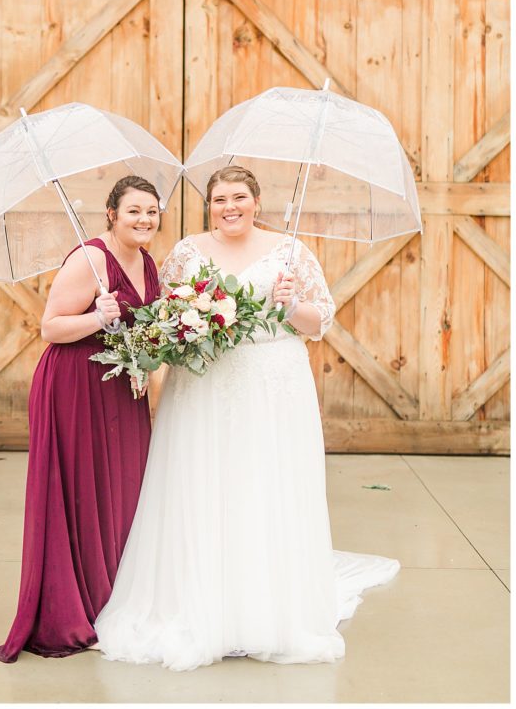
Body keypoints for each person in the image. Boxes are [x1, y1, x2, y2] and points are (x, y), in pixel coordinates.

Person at [95, 165, 399, 670]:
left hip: (273, 384)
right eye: (219, 199)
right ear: (208, 205)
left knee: (265, 484)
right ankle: (201, 602)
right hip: (203, 385)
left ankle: (265, 608)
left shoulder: (290, 252)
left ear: (256, 202)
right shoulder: (188, 252)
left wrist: (292, 303)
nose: (229, 207)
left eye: (239, 197)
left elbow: (319, 322)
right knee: (204, 484)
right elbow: (162, 317)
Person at [0, 175, 161, 662]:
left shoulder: (146, 260)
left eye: (151, 211)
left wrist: (145, 358)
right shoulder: (88, 259)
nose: (144, 219)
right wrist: (96, 317)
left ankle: (109, 597)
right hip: (74, 385)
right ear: (112, 214)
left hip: (120, 388)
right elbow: (51, 328)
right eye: (134, 211)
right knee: (80, 491)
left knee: (118, 490)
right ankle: (68, 610)